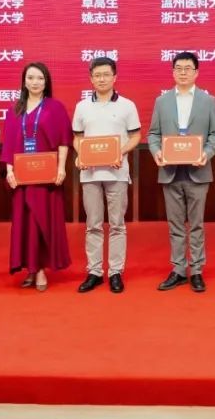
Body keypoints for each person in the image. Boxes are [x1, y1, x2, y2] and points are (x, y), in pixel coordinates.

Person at [147, 52, 215, 293]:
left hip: (198, 170)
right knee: (176, 225)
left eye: (188, 68)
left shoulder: (208, 101)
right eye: (178, 68)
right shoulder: (162, 101)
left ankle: (197, 270)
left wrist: (206, 154)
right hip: (170, 171)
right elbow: (153, 134)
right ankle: (179, 270)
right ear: (173, 72)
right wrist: (156, 152)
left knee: (197, 225)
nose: (183, 72)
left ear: (196, 72)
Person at [1, 62, 73, 291]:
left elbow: (64, 141)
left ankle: (41, 269)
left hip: (47, 178)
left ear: (46, 81)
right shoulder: (15, 110)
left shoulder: (55, 108)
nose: (35, 82)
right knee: (24, 223)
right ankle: (30, 268)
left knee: (42, 222)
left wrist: (61, 168)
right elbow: (9, 144)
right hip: (22, 177)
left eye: (40, 78)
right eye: (30, 78)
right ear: (24, 81)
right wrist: (10, 171)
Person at [73, 57, 141, 294]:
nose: (101, 79)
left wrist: (120, 152)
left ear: (115, 77)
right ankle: (94, 271)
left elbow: (135, 136)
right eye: (97, 75)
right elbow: (77, 137)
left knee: (117, 225)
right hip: (90, 174)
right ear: (91, 78)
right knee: (92, 224)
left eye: (106, 74)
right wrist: (81, 154)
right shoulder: (82, 106)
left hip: (117, 172)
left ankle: (115, 272)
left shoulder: (127, 105)